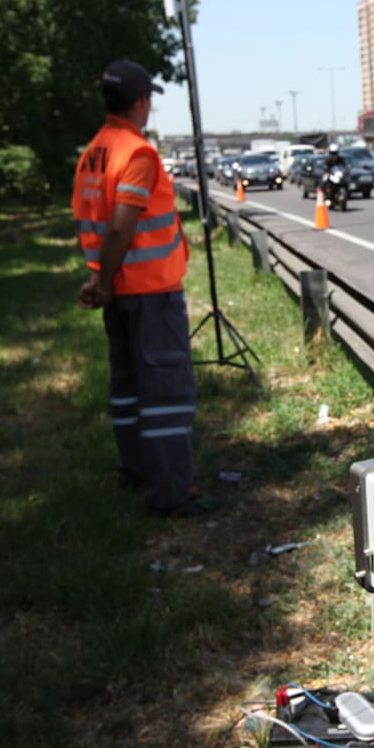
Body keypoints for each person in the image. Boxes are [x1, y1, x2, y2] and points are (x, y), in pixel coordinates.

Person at [72, 60, 214, 517]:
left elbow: (97, 231)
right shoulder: (136, 154)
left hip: (119, 291)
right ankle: (170, 494)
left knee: (128, 387)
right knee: (167, 396)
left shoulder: (94, 151)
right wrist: (108, 282)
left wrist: (100, 280)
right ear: (140, 102)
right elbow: (119, 228)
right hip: (149, 294)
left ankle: (135, 471)